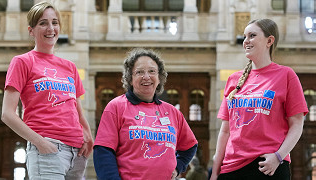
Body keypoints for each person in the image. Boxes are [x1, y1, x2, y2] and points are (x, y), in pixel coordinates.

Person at [1, 1, 93, 180]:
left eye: (55, 22)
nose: (50, 28)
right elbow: (7, 114)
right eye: (43, 23)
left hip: (77, 153)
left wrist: (88, 136)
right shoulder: (23, 62)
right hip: (49, 150)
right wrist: (40, 143)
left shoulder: (70, 67)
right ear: (31, 30)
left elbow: (78, 111)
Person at [210, 19, 308, 180]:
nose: (246, 41)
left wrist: (278, 157)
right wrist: (214, 172)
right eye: (245, 36)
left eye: (252, 35)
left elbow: (297, 124)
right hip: (231, 167)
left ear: (269, 41)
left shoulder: (286, 75)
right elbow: (225, 130)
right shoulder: (234, 79)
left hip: (268, 166)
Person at [93, 48, 198, 179]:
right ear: (130, 79)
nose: (146, 76)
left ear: (159, 78)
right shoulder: (116, 107)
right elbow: (103, 152)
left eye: (152, 71)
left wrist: (178, 167)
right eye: (139, 72)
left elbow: (190, 145)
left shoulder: (172, 112)